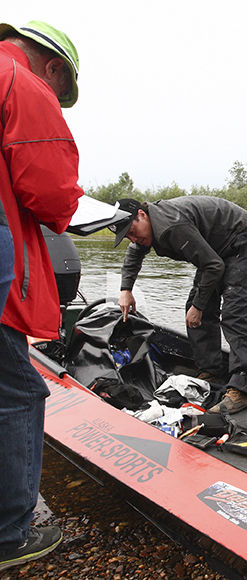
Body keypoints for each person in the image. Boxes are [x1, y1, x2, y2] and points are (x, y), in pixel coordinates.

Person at [0, 20, 83, 571]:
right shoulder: (22, 82)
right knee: (17, 394)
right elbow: (54, 197)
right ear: (52, 68)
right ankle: (10, 537)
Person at [111, 196, 247, 414]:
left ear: (141, 215)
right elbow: (135, 254)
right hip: (213, 247)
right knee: (196, 306)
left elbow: (213, 265)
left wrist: (199, 308)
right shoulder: (145, 230)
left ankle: (243, 389)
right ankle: (210, 370)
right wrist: (126, 289)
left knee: (234, 311)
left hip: (239, 236)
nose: (132, 239)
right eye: (127, 236)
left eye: (132, 231)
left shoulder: (171, 226)